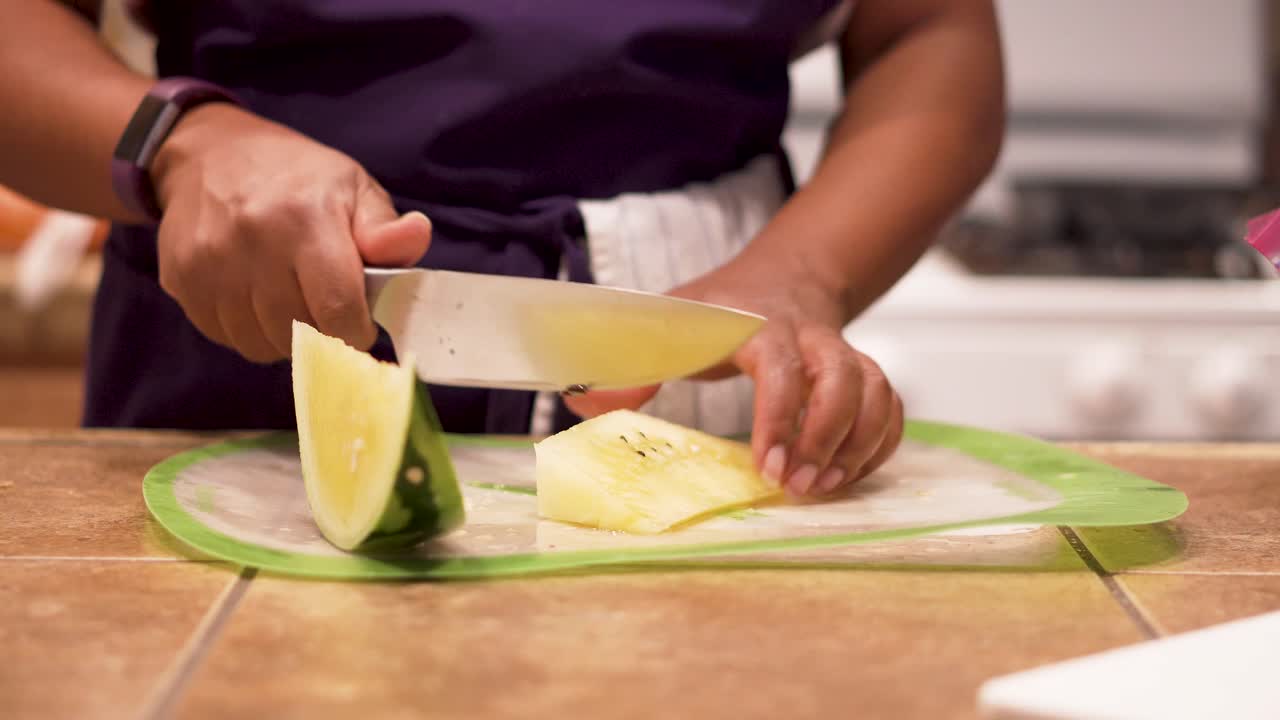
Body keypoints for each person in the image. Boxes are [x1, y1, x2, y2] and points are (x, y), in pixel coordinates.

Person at [0, 1, 1005, 498]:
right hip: (247, 357)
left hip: (694, 349)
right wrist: (183, 145)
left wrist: (801, 273)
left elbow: (927, 27)